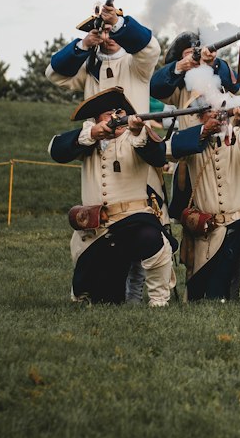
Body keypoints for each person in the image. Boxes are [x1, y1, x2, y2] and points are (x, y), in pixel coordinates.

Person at [48, 88, 175, 306]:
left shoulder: (135, 138)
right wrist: (91, 134)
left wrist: (138, 131)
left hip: (134, 218)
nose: (116, 117)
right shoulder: (87, 140)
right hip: (99, 228)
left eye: (119, 111)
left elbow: (157, 155)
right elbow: (56, 150)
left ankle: (159, 299)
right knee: (103, 299)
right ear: (97, 120)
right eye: (109, 114)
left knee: (151, 238)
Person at [166, 100, 240, 301]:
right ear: (200, 118)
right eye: (210, 113)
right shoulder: (192, 141)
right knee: (212, 297)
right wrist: (203, 132)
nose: (218, 116)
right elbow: (166, 150)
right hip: (212, 229)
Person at [46, 4, 160, 115]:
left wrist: (116, 22)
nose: (110, 37)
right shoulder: (90, 65)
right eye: (106, 31)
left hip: (134, 134)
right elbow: (54, 74)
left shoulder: (136, 63)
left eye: (113, 31)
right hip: (95, 134)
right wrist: (83, 45)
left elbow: (151, 49)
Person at [150, 32, 240, 116]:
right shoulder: (179, 86)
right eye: (188, 54)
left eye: (196, 53)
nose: (194, 57)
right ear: (181, 58)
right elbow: (154, 87)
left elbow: (239, 87)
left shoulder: (218, 74)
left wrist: (213, 63)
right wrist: (178, 67)